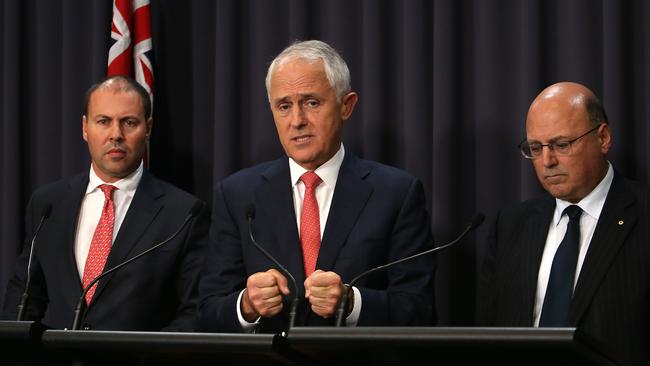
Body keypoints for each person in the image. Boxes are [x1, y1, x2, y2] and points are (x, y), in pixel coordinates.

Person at [198, 40, 435, 333]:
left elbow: (420, 310)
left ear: (346, 106)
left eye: (311, 102)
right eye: (284, 106)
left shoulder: (397, 194)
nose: (297, 121)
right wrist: (246, 305)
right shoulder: (237, 195)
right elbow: (207, 311)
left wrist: (352, 303)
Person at [1, 75, 209, 331]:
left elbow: (195, 311)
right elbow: (24, 296)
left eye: (129, 122)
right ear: (85, 128)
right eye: (104, 121)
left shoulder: (184, 213)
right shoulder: (48, 204)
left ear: (149, 128)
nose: (116, 135)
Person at [477, 81, 650, 364]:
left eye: (562, 144)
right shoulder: (511, 225)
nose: (547, 160)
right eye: (535, 147)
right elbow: (487, 335)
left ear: (603, 138)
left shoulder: (642, 215)